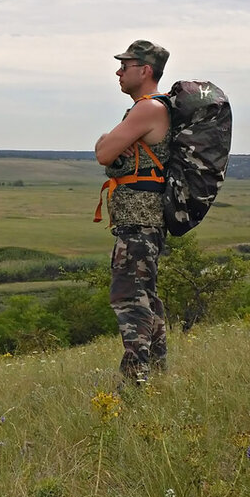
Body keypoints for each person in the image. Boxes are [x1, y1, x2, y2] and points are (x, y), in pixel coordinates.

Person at [94, 39, 171, 388]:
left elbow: (103, 152)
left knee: (130, 298)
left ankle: (135, 379)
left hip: (139, 222)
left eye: (125, 66)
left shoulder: (147, 109)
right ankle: (157, 372)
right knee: (146, 296)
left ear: (145, 70)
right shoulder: (149, 109)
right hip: (143, 220)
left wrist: (106, 140)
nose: (119, 72)